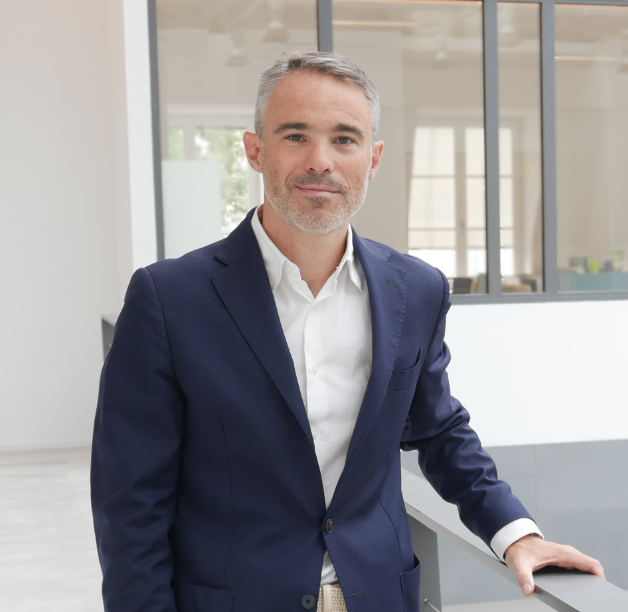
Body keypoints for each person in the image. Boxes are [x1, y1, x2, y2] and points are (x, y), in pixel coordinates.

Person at [91, 52, 604, 612]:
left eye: (344, 139)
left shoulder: (418, 289)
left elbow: (439, 431)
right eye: (295, 136)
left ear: (372, 158)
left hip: (378, 593)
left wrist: (516, 534)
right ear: (255, 150)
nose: (320, 161)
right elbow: (130, 501)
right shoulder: (168, 299)